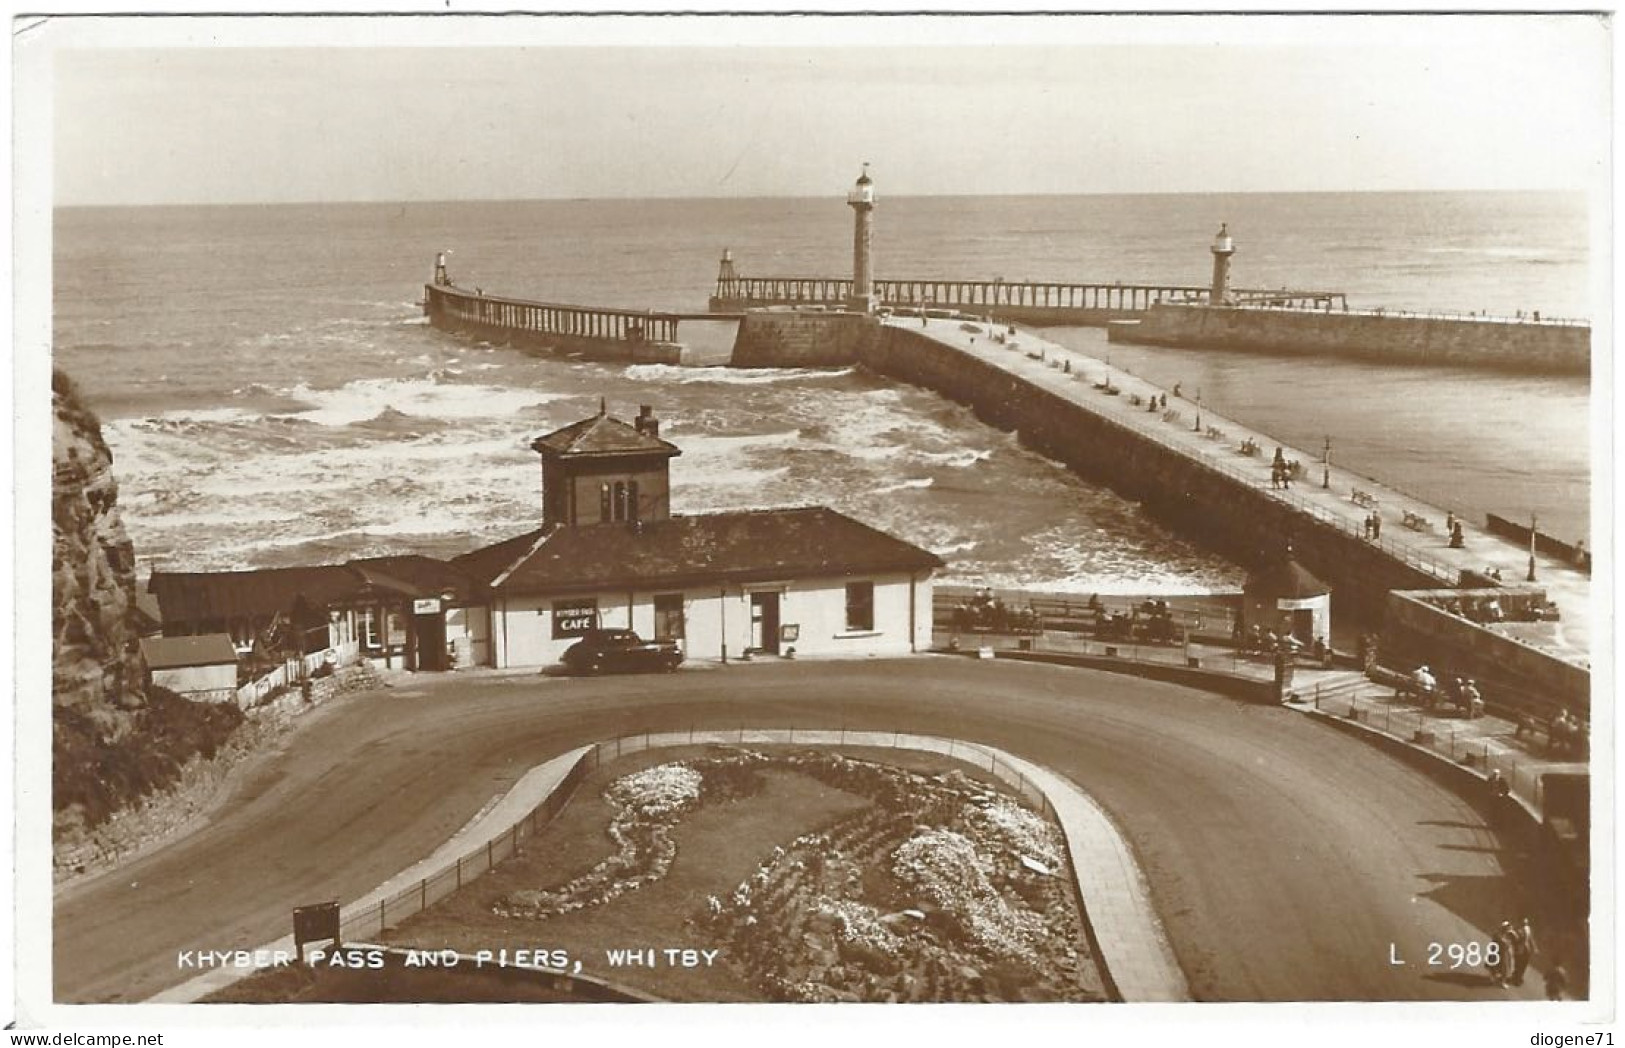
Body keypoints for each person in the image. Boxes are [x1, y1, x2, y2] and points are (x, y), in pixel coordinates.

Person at [1511, 918, 1535, 986]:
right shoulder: (1519, 930)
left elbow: (1531, 938)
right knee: (1518, 964)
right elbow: (1516, 939)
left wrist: (1534, 947)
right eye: (1524, 924)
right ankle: (1517, 978)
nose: (1525, 925)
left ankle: (1519, 977)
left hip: (1526, 950)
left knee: (1524, 964)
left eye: (1526, 924)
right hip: (1519, 950)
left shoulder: (1528, 929)